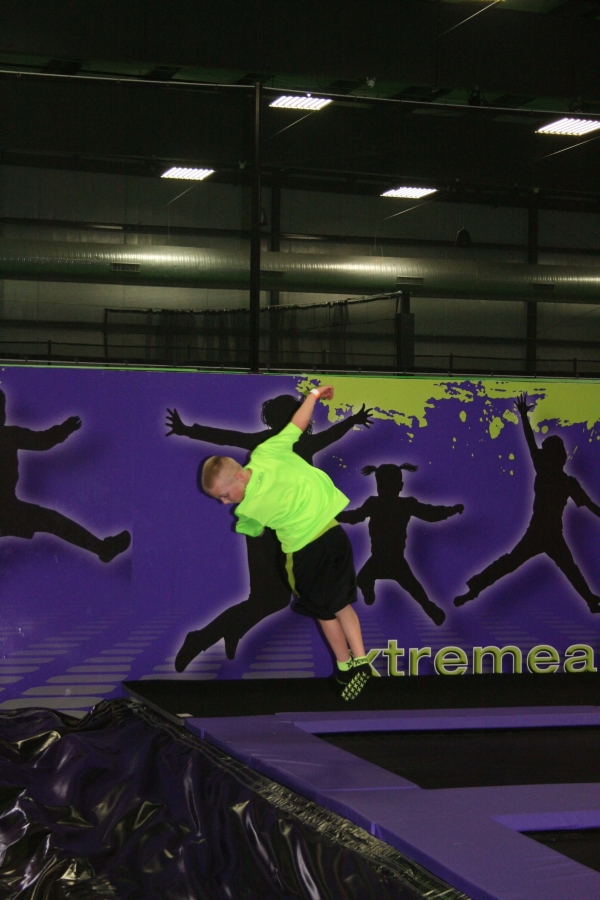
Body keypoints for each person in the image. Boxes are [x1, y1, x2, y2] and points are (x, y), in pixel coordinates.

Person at [176, 386, 372, 700]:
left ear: (239, 478)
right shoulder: (267, 451)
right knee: (341, 603)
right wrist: (314, 394)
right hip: (334, 531)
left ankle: (346, 664)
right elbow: (297, 424)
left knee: (323, 610)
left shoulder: (246, 510)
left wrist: (248, 525)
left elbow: (253, 531)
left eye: (224, 495)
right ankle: (359, 661)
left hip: (305, 549)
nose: (225, 502)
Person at [454, 392, 600, 612]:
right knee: (565, 568)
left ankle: (590, 600)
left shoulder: (556, 476)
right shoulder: (560, 478)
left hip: (547, 533)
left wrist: (523, 416)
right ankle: (474, 589)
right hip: (543, 532)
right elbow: (589, 505)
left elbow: (588, 504)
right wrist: (523, 416)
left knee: (522, 564)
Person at [0, 389, 130, 562]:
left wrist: (63, 430)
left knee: (52, 520)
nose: (2, 414)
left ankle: (102, 548)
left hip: (8, 508)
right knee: (51, 520)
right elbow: (42, 441)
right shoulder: (9, 435)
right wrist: (63, 430)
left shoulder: (9, 435)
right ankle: (102, 548)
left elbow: (41, 441)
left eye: (2, 409)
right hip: (7, 509)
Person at [338, 463, 463, 625]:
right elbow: (431, 514)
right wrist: (451, 510)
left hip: (386, 559)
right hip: (389, 560)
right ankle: (428, 607)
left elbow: (354, 517)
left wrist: (450, 510)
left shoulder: (384, 504)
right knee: (411, 588)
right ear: (400, 486)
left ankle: (428, 607)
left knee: (371, 580)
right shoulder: (391, 504)